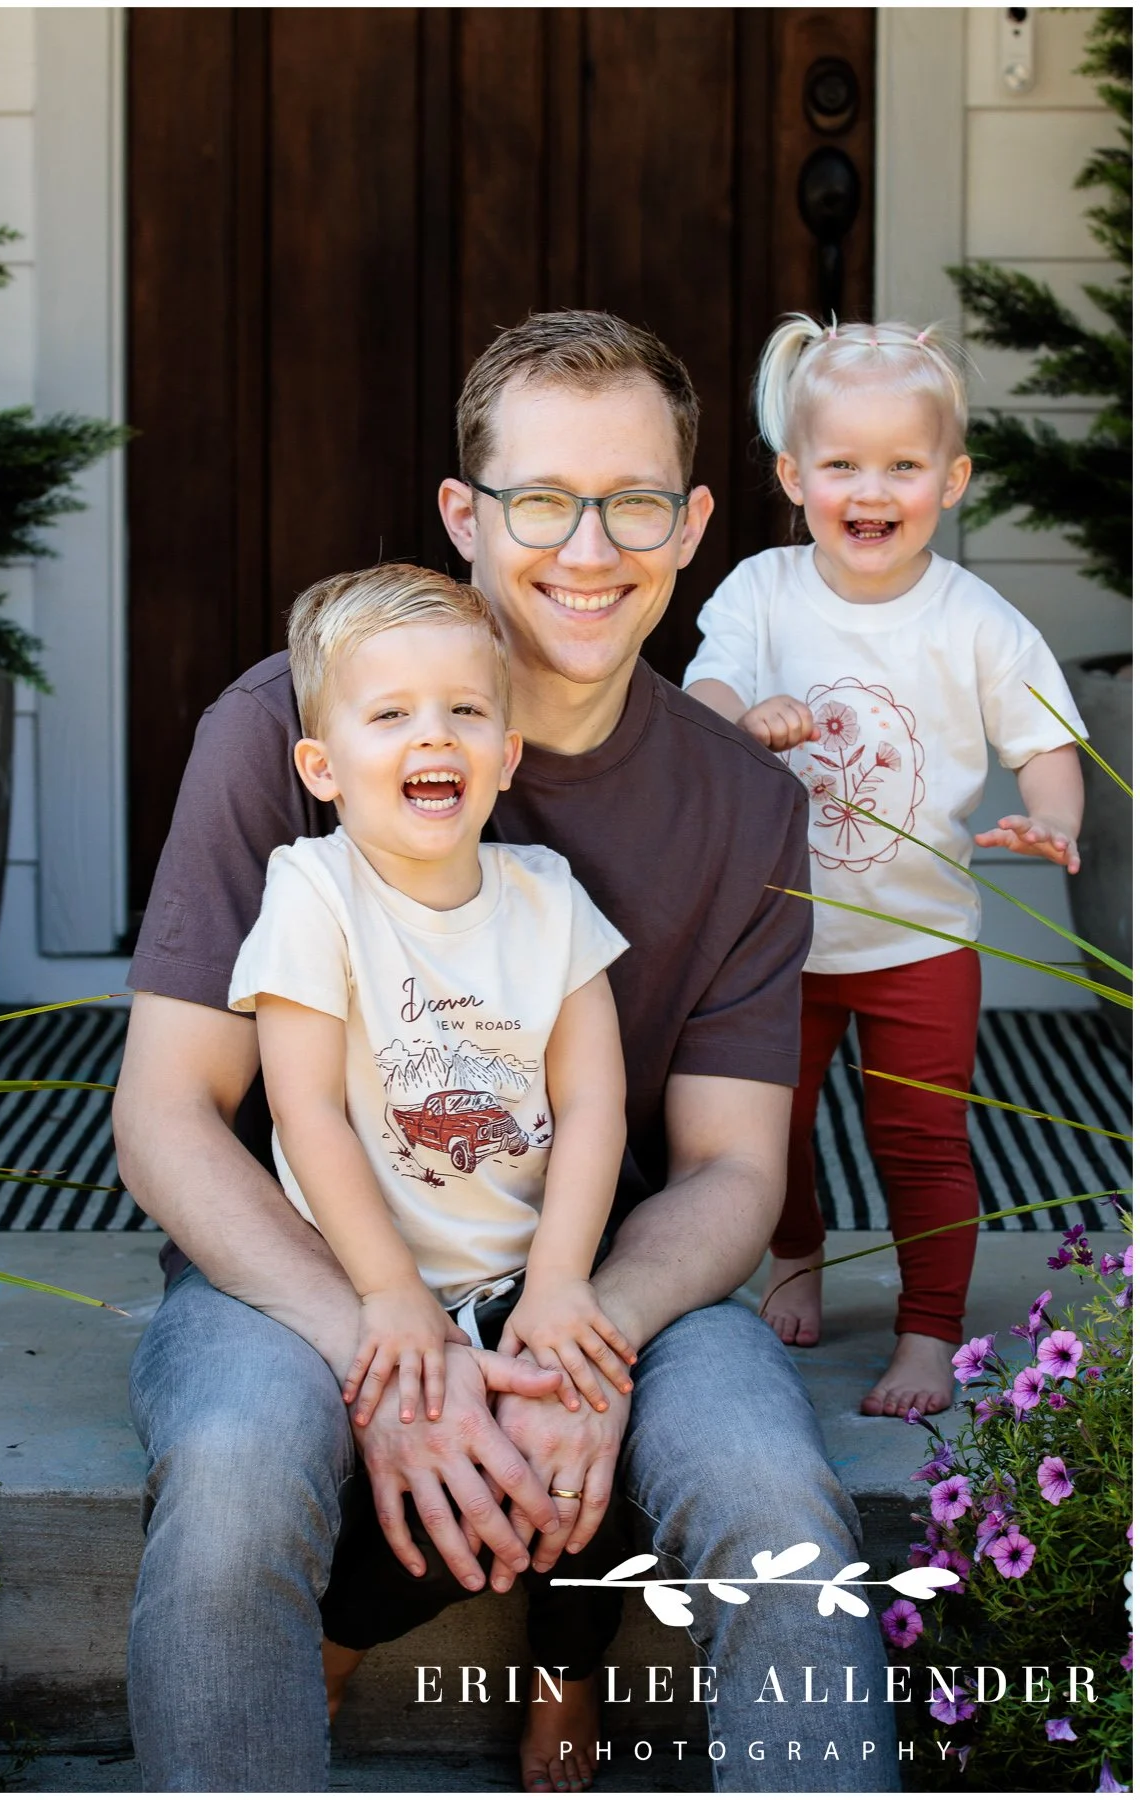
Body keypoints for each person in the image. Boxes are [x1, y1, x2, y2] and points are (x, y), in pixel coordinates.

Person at [116, 310, 897, 1793]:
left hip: (613, 1274)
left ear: (696, 525)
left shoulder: (741, 808)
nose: (589, 550)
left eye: (636, 503)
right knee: (228, 1485)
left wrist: (585, 1334)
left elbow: (733, 1167)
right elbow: (168, 1117)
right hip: (307, 1264)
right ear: (466, 515)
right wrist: (381, 1347)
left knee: (768, 1490)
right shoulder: (286, 732)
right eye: (542, 500)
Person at [230, 565, 635, 1758]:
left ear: (507, 754)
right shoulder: (313, 890)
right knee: (426, 1497)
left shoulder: (548, 897)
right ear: (322, 766)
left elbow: (596, 1099)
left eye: (463, 710)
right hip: (386, 1278)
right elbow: (307, 1114)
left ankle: (568, 1671)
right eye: (390, 713)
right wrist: (389, 1294)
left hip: (529, 1269)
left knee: (587, 1444)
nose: (432, 735)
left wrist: (562, 1286)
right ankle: (344, 1638)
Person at [684, 315, 1086, 1419]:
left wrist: (1051, 818)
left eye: (904, 465)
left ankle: (927, 1331)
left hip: (921, 943)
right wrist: (742, 713)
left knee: (922, 1141)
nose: (873, 488)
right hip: (775, 939)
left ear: (950, 479)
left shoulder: (973, 620)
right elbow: (703, 693)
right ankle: (797, 1253)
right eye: (843, 463)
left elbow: (1047, 738)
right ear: (792, 474)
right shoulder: (764, 594)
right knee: (769, 1126)